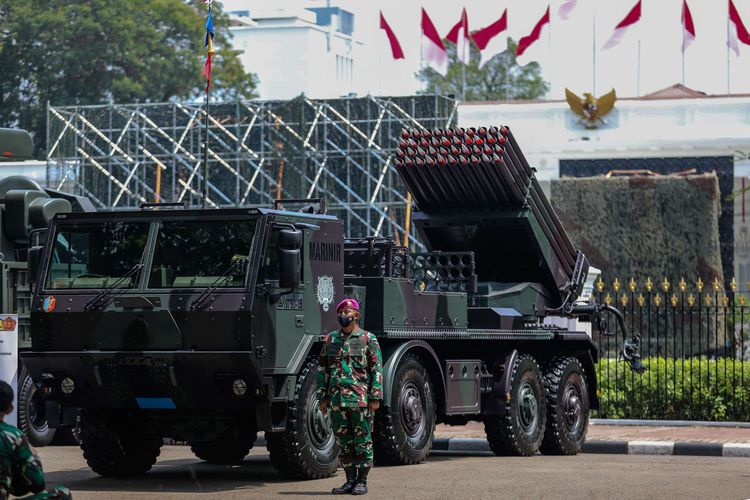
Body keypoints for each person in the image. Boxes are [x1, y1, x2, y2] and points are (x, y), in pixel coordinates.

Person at [316, 298, 383, 496]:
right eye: (341, 312)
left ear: (356, 315)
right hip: (337, 401)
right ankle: (349, 480)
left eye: (347, 311)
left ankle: (362, 480)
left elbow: (376, 368)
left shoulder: (367, 339)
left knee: (362, 441)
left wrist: (375, 396)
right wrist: (322, 397)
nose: (343, 315)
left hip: (360, 400)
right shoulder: (331, 340)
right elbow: (323, 370)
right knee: (343, 442)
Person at [0, 380, 71, 500]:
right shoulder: (13, 436)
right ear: (10, 409)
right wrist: (34, 457)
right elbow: (38, 484)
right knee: (61, 494)